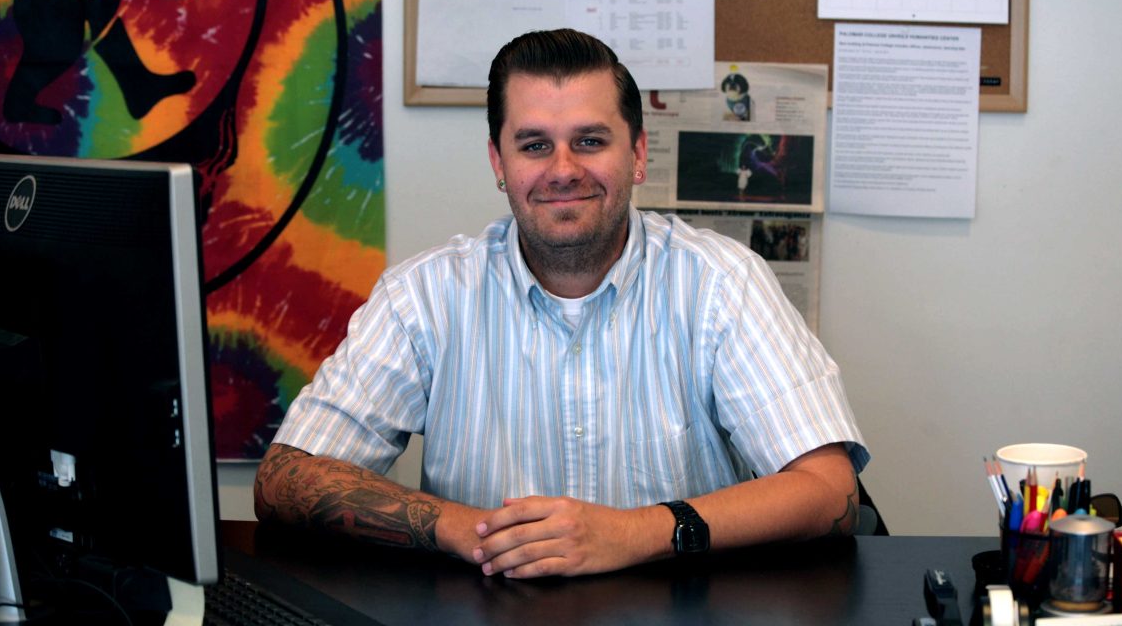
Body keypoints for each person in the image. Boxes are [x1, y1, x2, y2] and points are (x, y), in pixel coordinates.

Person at [254, 29, 869, 579]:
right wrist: (477, 533)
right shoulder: (426, 296)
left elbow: (829, 490)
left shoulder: (721, 282)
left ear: (638, 154)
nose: (564, 170)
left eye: (590, 140)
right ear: (499, 162)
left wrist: (632, 532)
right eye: (534, 145)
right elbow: (285, 476)